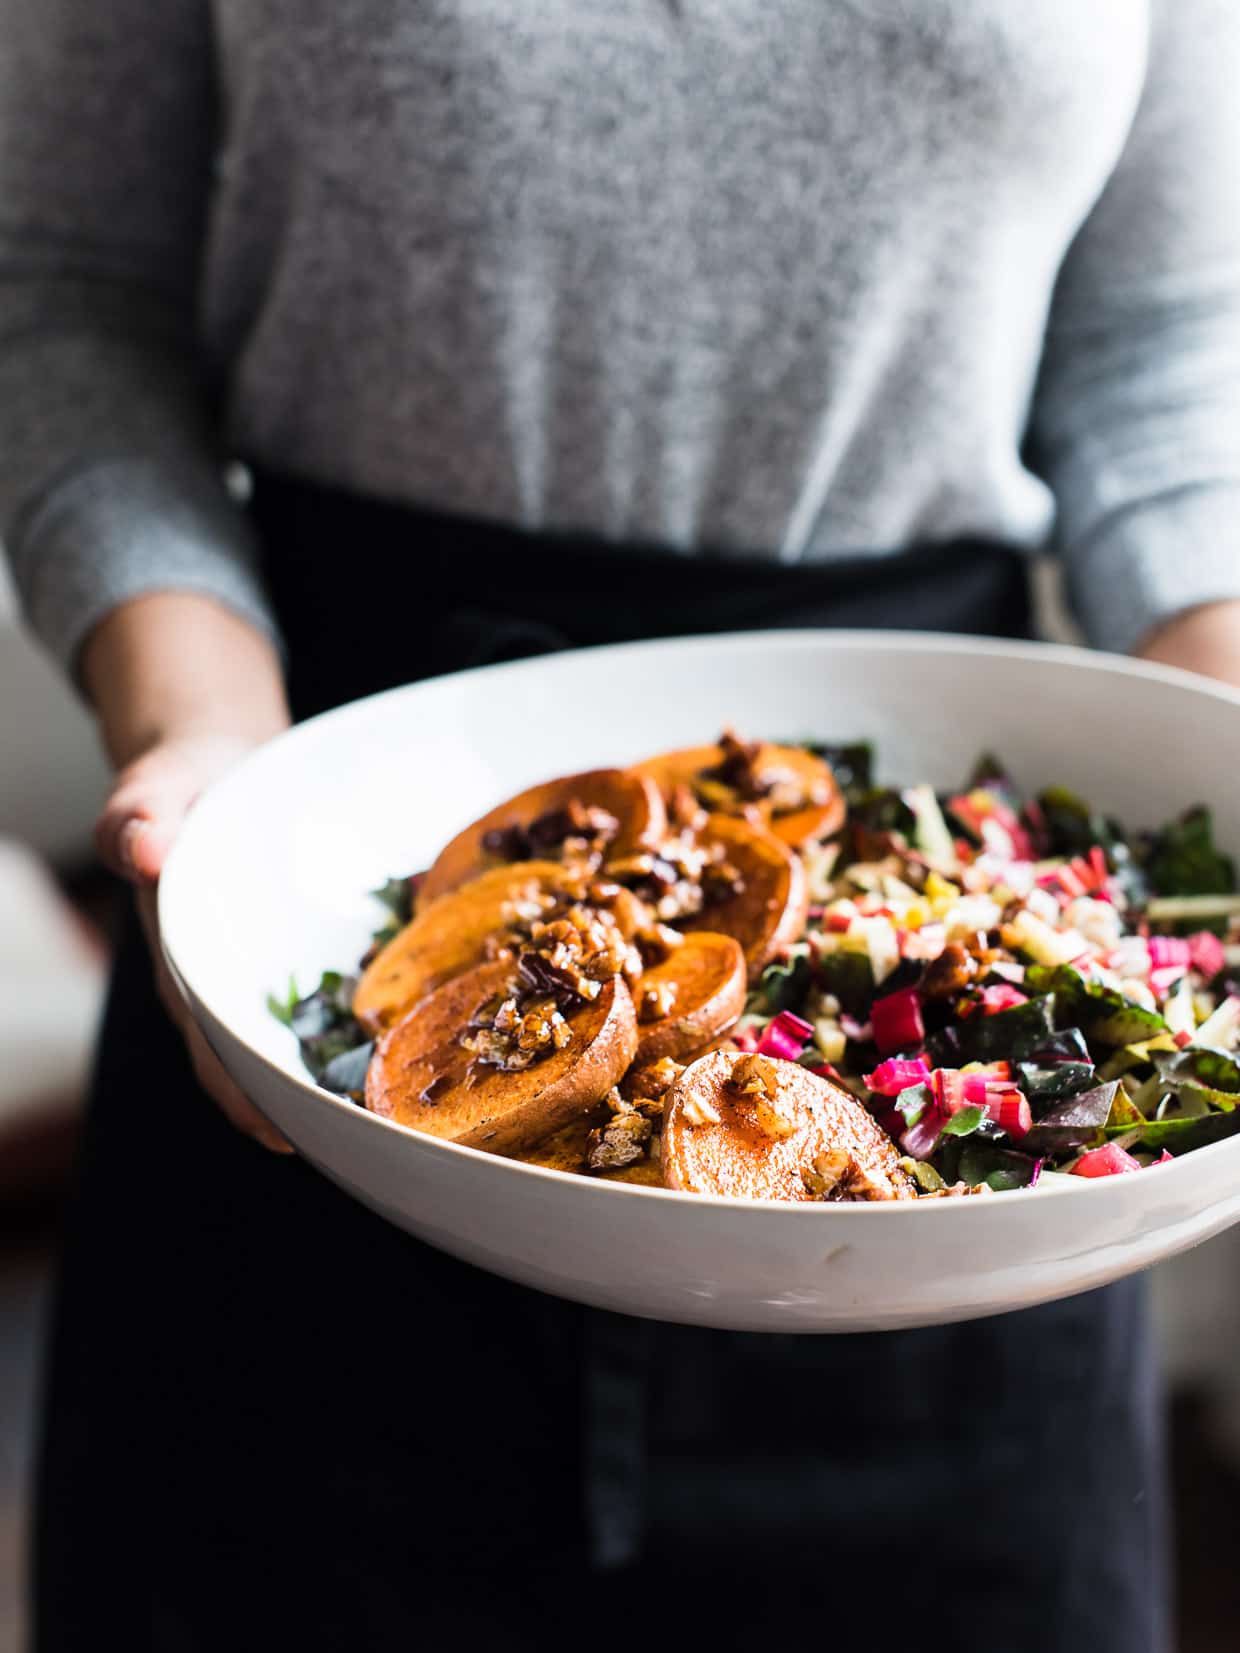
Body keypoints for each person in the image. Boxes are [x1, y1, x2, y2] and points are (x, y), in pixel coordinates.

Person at [3, 4, 1238, 1649]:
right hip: (349, 869)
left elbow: (1171, 350)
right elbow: (65, 287)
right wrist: (201, 721)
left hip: (928, 955)